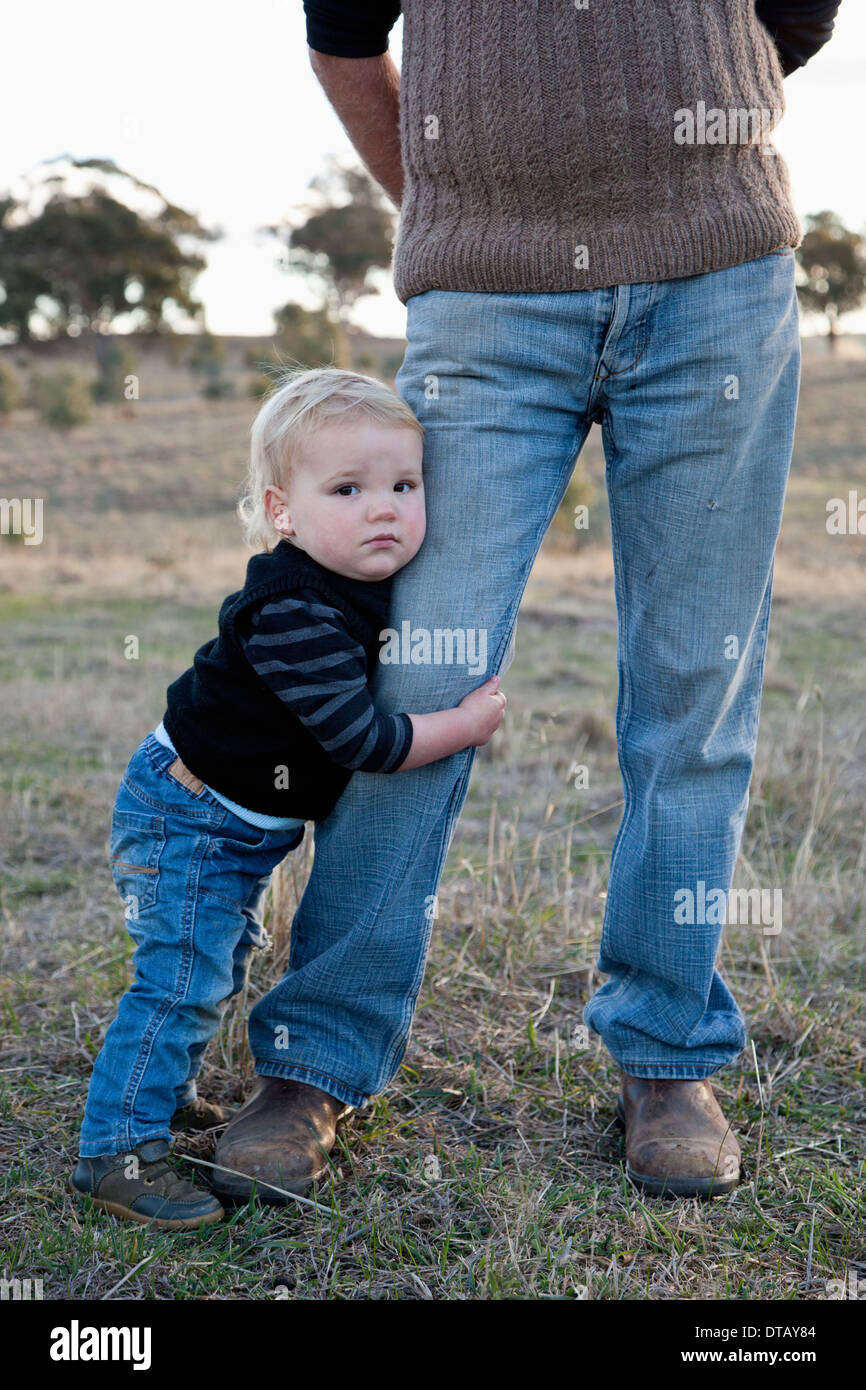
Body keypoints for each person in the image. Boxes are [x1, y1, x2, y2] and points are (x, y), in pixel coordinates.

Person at [209, 0, 842, 1203]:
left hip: (714, 279)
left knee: (693, 688)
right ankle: (314, 1057)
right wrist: (456, 206)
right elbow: (341, 33)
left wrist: (687, 127)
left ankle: (666, 1052)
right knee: (415, 677)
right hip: (488, 303)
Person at [69, 366, 506, 1227]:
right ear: (283, 512)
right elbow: (361, 741)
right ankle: (115, 1150)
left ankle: (165, 1094)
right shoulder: (294, 608)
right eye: (348, 488)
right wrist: (464, 723)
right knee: (179, 979)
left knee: (216, 963)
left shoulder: (353, 581)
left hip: (230, 821)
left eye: (403, 485)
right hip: (190, 817)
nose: (384, 507)